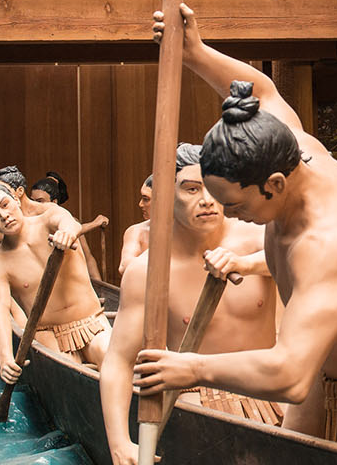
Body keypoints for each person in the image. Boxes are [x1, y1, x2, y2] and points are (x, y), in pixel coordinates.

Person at [134, 5, 337, 459]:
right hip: (324, 361)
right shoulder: (287, 143)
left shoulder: (328, 241)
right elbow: (262, 90)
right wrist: (194, 52)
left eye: (236, 204)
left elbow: (289, 375)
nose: (227, 215)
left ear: (274, 185)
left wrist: (192, 367)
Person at [102, 144, 283, 465]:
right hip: (200, 404)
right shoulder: (147, 271)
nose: (207, 200)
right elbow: (118, 361)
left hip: (272, 394)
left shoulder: (259, 237)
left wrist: (249, 264)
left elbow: (314, 260)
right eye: (191, 189)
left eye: (214, 187)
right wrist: (119, 442)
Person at [0, 180, 111, 384]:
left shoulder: (49, 218)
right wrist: (5, 358)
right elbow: (0, 309)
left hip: (91, 322)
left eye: (5, 205)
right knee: (67, 378)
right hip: (48, 334)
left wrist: (67, 233)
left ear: (16, 200)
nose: (4, 216)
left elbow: (68, 222)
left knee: (111, 358)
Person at [119, 176, 154, 275]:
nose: (140, 204)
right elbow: (125, 267)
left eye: (146, 199)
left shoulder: (190, 232)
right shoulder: (136, 231)